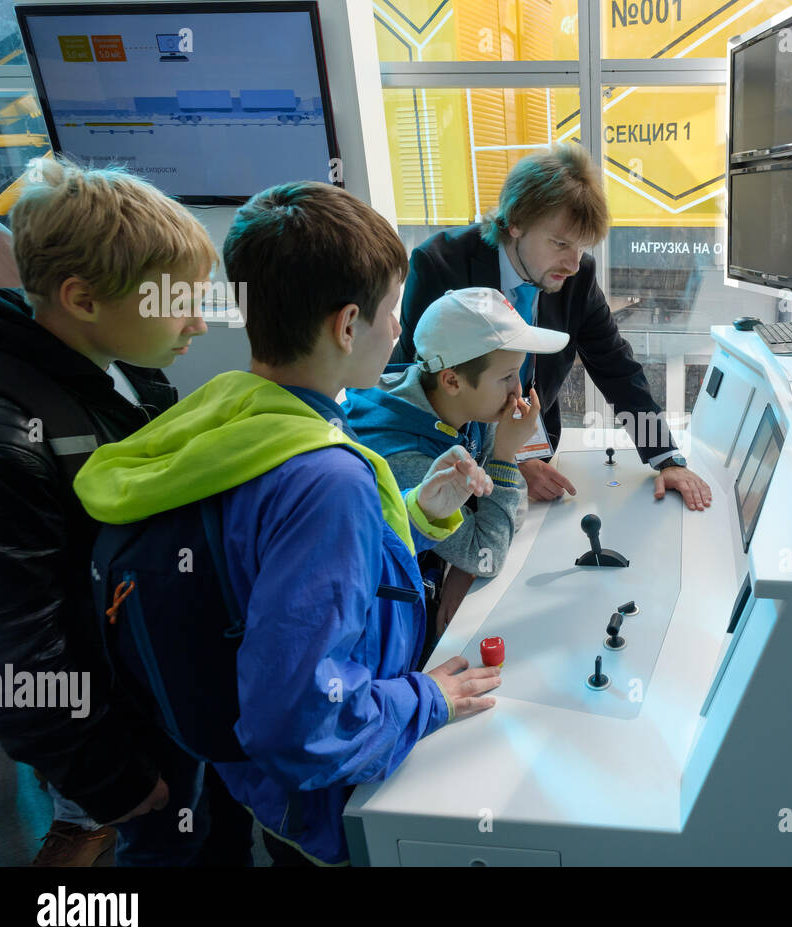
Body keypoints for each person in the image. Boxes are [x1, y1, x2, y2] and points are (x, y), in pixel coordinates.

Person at [74, 181, 503, 866]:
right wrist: (429, 698)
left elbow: (261, 562)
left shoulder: (229, 413)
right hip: (327, 805)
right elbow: (302, 720)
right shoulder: (325, 482)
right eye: (391, 310)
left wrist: (418, 513)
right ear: (346, 325)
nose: (398, 330)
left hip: (250, 786)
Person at [0, 157, 252, 866]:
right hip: (120, 729)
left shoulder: (125, 364)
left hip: (161, 678)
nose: (199, 322)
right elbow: (16, 652)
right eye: (177, 301)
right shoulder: (6, 442)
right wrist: (110, 778)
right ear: (81, 298)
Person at [391, 144, 713, 511]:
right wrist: (508, 461)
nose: (574, 263)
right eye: (560, 243)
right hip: (449, 470)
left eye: (582, 247)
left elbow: (616, 368)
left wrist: (667, 458)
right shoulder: (440, 264)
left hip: (538, 455)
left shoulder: (578, 275)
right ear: (514, 223)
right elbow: (417, 387)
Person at [345, 287, 568, 638]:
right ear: (451, 380)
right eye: (507, 376)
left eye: (518, 373)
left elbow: (495, 532)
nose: (518, 393)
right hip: (388, 628)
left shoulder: (469, 406)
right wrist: (507, 458)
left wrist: (463, 566)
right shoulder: (405, 457)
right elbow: (489, 554)